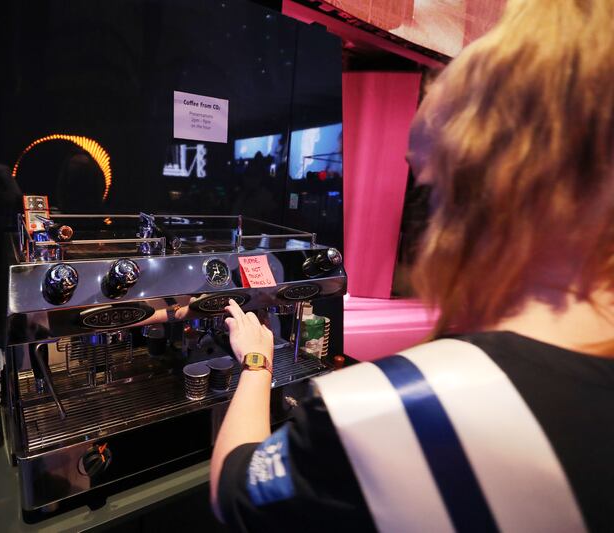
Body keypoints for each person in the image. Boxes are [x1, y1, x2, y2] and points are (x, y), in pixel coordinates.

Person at [211, 0, 614, 531]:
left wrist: (257, 362)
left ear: (482, 188)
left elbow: (235, 487)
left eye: (428, 186)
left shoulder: (389, 414)